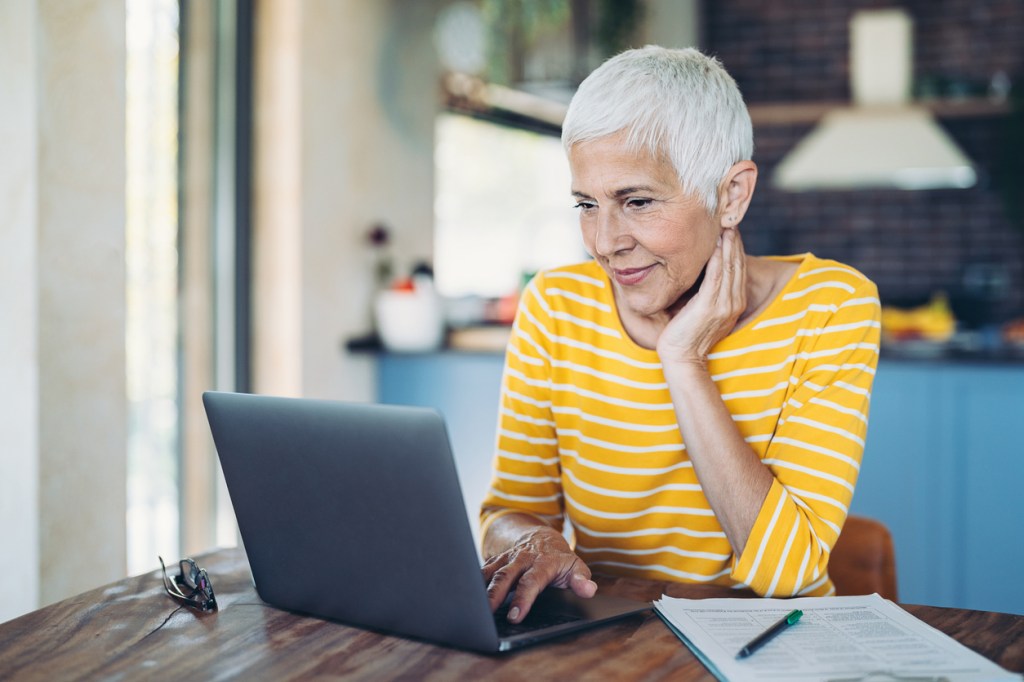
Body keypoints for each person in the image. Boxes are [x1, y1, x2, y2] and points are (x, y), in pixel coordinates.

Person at [479, 46, 881, 624]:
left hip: (769, 644)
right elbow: (508, 513)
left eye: (637, 201)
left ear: (731, 195)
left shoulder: (829, 306)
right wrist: (529, 539)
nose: (604, 242)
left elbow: (787, 572)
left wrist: (685, 361)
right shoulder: (556, 305)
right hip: (607, 642)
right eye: (586, 204)